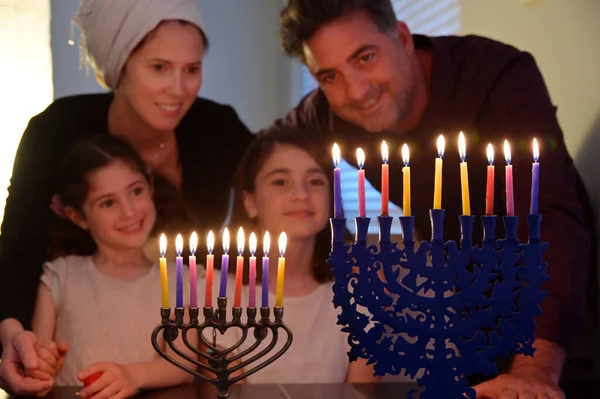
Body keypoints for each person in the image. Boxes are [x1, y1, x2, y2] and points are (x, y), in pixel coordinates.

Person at [261, 0, 594, 398]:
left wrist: (535, 368)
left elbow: (549, 216)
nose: (356, 91)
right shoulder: (329, 116)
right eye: (329, 75)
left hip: (563, 323)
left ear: (401, 37)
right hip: (469, 321)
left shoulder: (494, 76)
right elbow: (264, 157)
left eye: (365, 57)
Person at [0, 0, 253, 395]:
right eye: (159, 68)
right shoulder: (55, 131)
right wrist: (13, 336)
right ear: (118, 69)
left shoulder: (218, 129)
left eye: (192, 69)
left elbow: (270, 204)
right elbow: (16, 252)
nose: (178, 89)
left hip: (176, 361)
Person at [34, 135, 197, 398]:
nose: (129, 211)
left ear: (150, 186)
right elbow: (39, 357)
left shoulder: (182, 279)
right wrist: (39, 364)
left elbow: (184, 364)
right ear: (79, 217)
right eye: (108, 202)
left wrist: (133, 375)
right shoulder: (60, 277)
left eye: (136, 191)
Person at [217, 130, 379, 384]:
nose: (301, 194)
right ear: (249, 202)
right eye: (280, 182)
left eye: (316, 181)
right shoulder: (218, 293)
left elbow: (362, 391)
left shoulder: (354, 290)